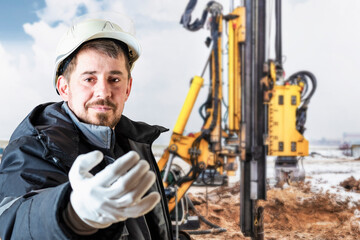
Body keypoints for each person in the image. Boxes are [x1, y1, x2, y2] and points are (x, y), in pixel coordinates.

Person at [0, 17, 173, 240]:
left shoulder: (132, 143)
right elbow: (12, 222)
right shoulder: (33, 147)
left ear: (128, 88)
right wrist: (72, 214)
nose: (103, 91)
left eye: (114, 79)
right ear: (64, 87)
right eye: (89, 78)